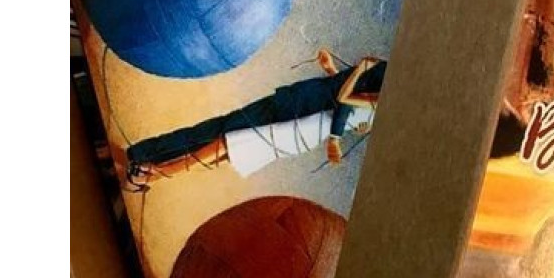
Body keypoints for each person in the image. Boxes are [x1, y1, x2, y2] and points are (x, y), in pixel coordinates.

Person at [125, 50, 384, 185]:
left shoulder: (384, 78)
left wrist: (337, 135)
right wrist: (331, 70)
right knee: (225, 143)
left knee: (223, 139)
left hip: (294, 114)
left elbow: (345, 100)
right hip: (298, 112)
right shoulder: (386, 77)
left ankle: (151, 163)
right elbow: (345, 98)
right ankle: (151, 163)